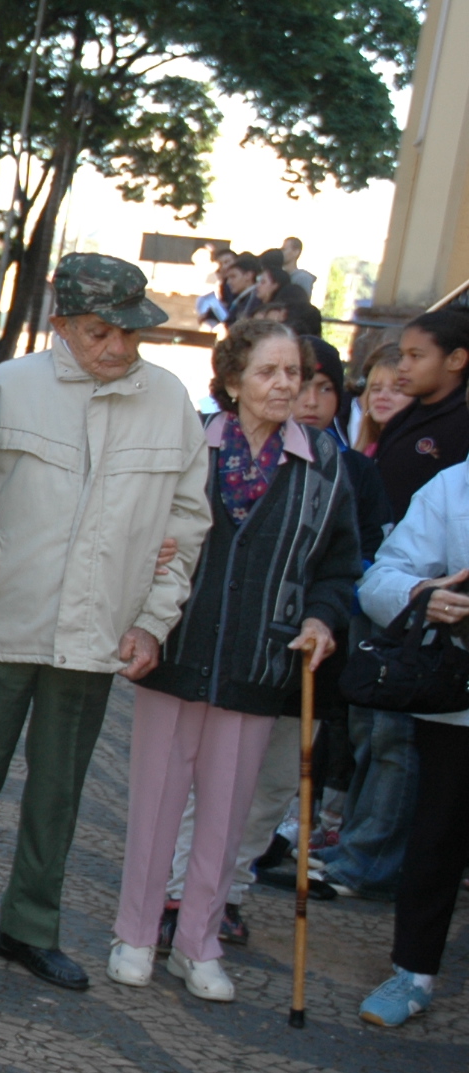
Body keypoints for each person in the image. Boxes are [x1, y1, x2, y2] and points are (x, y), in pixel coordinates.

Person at [0, 254, 210, 989]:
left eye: (130, 332)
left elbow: (187, 524)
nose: (117, 347)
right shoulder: (7, 386)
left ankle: (29, 929)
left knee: (58, 793)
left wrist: (153, 622)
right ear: (60, 325)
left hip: (97, 631)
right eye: (98, 332)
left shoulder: (171, 401)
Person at [107, 321, 354, 1001]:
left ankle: (200, 943)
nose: (285, 385)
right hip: (176, 649)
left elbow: (339, 565)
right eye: (269, 371)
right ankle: (135, 935)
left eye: (294, 373)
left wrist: (321, 617)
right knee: (155, 806)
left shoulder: (324, 463)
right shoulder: (193, 441)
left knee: (227, 815)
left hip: (260, 662)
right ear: (234, 379)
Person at [353, 459, 469, 1027]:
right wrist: (424, 594)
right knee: (438, 835)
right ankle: (413, 972)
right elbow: (381, 578)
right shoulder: (454, 487)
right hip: (459, 697)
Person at [373, 309, 469, 522]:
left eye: (415, 356)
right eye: (401, 356)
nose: (402, 367)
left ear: (456, 360)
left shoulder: (462, 423)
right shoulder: (402, 418)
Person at [353, 342, 409, 454]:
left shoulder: (413, 451)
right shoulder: (362, 452)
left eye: (396, 390)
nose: (382, 397)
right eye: (376, 389)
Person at [195, 248, 236, 327]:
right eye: (220, 264)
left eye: (227, 262)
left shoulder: (233, 285)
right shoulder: (224, 284)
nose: (224, 267)